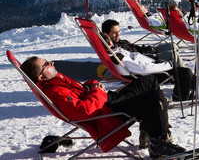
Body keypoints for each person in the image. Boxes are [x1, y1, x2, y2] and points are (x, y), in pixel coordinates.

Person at [20, 56, 185, 158]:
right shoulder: (56, 92)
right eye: (47, 64)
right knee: (152, 98)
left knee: (148, 81)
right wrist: (98, 92)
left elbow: (81, 90)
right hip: (108, 115)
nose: (52, 62)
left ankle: (152, 132)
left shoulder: (56, 82)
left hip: (104, 104)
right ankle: (158, 143)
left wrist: (94, 85)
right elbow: (84, 111)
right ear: (41, 76)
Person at [100, 30, 199, 101]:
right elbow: (143, 68)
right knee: (184, 73)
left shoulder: (116, 52)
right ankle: (180, 96)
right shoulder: (119, 56)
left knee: (181, 75)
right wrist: (167, 64)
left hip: (149, 68)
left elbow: (139, 60)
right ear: (108, 43)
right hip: (148, 75)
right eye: (108, 39)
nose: (112, 40)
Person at [101, 19, 184, 68]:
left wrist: (148, 49)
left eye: (118, 31)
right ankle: (182, 76)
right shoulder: (115, 49)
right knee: (173, 54)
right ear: (107, 35)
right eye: (114, 33)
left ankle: (178, 71)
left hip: (148, 51)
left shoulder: (120, 42)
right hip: (147, 59)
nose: (118, 35)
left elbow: (136, 48)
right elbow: (134, 57)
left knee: (172, 45)